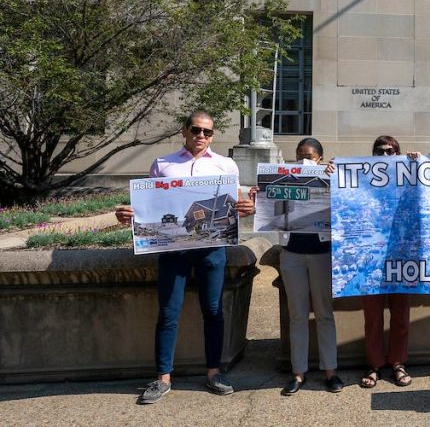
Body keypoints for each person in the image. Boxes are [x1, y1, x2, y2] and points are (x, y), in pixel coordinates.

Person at [115, 110, 254, 405]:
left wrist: (246, 208)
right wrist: (129, 214)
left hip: (212, 249)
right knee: (168, 312)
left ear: (213, 135)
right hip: (173, 251)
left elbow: (236, 204)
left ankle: (214, 373)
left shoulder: (225, 164)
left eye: (207, 132)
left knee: (214, 311)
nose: (201, 136)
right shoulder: (163, 164)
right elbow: (148, 206)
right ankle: (163, 378)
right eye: (196, 130)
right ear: (184, 131)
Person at [272, 138, 342, 396]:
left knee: (324, 313)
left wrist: (337, 178)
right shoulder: (287, 180)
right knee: (297, 315)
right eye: (300, 155)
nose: (304, 160)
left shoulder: (331, 178)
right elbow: (272, 209)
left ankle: (330, 371)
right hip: (292, 253)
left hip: (322, 253)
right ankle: (298, 372)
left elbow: (348, 205)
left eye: (310, 156)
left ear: (320, 159)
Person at [360, 135, 419, 389]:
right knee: (372, 315)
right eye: (379, 151)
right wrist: (335, 171)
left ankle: (397, 362)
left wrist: (417, 166)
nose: (384, 156)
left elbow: (426, 192)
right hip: (370, 257)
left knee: (401, 313)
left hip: (401, 255)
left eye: (390, 151)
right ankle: (374, 365)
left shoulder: (406, 180)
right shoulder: (361, 180)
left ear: (398, 154)